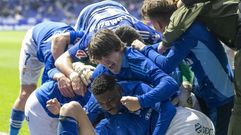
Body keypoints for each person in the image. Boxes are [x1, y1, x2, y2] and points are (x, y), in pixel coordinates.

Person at [133, 2, 235, 134]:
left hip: (220, 97)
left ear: (157, 24)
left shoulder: (186, 34)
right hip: (210, 91)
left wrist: (144, 49)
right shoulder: (185, 27)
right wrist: (141, 49)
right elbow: (160, 48)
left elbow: (166, 65)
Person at [54, 1, 162, 96]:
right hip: (87, 16)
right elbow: (61, 60)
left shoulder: (140, 30)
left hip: (117, 7)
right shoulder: (92, 40)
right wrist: (72, 75)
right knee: (86, 65)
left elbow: (165, 46)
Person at [87, 29, 179, 134]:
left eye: (107, 54)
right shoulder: (102, 72)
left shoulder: (136, 61)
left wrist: (140, 101)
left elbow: (170, 84)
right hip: (140, 111)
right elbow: (92, 106)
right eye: (99, 58)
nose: (105, 61)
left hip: (169, 99)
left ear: (118, 48)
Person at [58, 74, 215, 135]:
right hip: (192, 121)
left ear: (119, 90)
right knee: (69, 108)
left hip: (184, 123)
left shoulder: (136, 89)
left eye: (111, 100)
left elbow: (167, 109)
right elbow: (74, 113)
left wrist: (141, 102)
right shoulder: (104, 119)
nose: (107, 106)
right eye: (102, 103)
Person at [9, 21, 84, 135]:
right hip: (34, 42)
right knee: (26, 94)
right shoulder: (53, 55)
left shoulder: (85, 44)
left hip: (58, 35)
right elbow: (47, 90)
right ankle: (12, 133)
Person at [24, 62, 92, 135]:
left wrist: (60, 110)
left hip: (60, 109)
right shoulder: (93, 74)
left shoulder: (97, 100)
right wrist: (61, 77)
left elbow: (84, 118)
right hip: (42, 105)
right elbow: (52, 70)